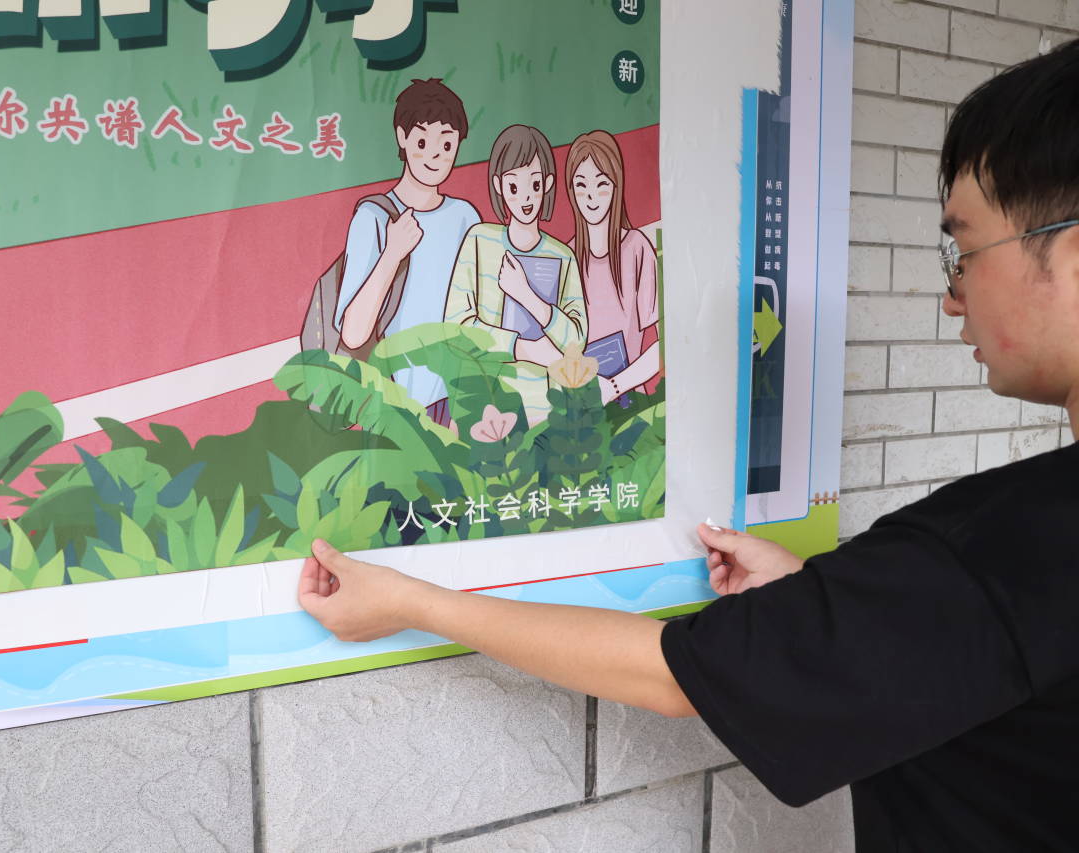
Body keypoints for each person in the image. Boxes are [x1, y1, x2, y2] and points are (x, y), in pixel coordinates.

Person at [302, 39, 1079, 852]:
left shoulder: (998, 554)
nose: (951, 295)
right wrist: (816, 599)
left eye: (962, 250)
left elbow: (671, 672)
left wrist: (412, 603)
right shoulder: (998, 561)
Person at [335, 78, 480, 416]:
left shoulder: (466, 217)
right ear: (402, 136)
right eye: (423, 141)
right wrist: (392, 254)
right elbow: (353, 334)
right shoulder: (373, 218)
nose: (435, 155)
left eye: (447, 144)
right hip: (397, 406)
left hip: (460, 398)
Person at [444, 124, 587, 424]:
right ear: (498, 185)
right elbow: (456, 328)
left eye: (534, 184)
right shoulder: (479, 240)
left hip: (544, 410)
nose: (525, 198)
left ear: (547, 183)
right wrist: (521, 348)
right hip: (484, 402)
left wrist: (527, 296)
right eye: (513, 187)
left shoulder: (562, 256)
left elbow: (577, 340)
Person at [565, 130, 662, 404]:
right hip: (578, 406)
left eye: (601, 184)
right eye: (581, 185)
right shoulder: (565, 257)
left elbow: (665, 343)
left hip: (630, 402)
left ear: (616, 185)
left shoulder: (636, 248)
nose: (591, 197)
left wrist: (615, 387)